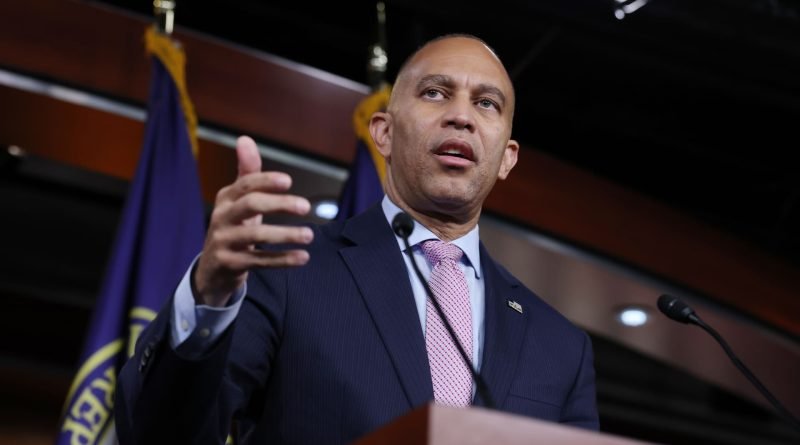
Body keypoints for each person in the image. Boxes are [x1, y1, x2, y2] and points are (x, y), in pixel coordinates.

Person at [115, 34, 599, 444]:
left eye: (486, 103)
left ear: (507, 158)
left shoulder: (559, 346)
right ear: (383, 133)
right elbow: (157, 434)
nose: (462, 116)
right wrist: (207, 296)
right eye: (435, 93)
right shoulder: (288, 274)